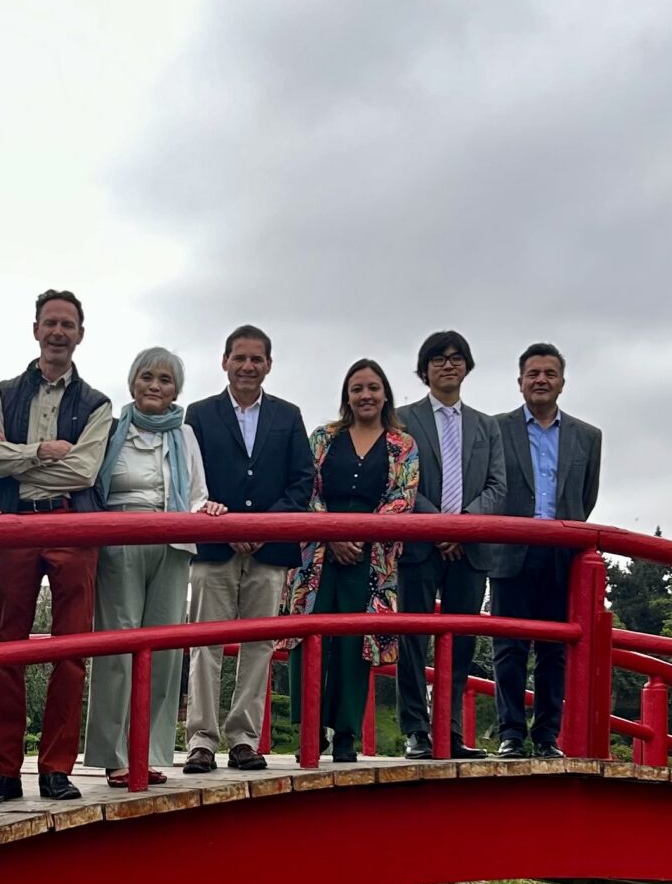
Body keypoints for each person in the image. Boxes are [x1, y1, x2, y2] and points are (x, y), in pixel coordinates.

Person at [0, 289, 115, 803]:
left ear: (79, 334)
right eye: (49, 323)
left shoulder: (97, 403)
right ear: (35, 329)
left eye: (67, 325)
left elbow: (85, 469)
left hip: (73, 527)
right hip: (14, 525)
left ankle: (56, 767)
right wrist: (41, 452)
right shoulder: (4, 391)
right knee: (7, 649)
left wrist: (14, 455)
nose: (57, 332)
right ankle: (4, 770)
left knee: (71, 652)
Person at [85, 348, 226, 781]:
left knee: (164, 649)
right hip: (121, 537)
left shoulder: (184, 435)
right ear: (132, 383)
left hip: (173, 538)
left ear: (175, 390)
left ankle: (148, 752)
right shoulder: (112, 431)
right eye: (147, 377)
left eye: (165, 380)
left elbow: (197, 490)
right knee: (118, 645)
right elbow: (92, 484)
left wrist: (209, 509)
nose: (155, 386)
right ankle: (115, 756)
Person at [180, 324, 314, 775]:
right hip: (214, 544)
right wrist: (225, 523)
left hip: (269, 548)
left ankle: (243, 738)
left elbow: (302, 481)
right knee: (204, 645)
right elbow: (191, 481)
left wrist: (265, 526)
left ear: (269, 365)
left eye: (257, 359)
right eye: (240, 358)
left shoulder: (288, 416)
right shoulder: (198, 415)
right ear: (224, 362)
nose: (248, 366)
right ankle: (200, 739)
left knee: (259, 646)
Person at [284, 361, 419, 763]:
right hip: (318, 554)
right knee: (308, 638)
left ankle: (345, 733)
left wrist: (361, 534)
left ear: (385, 394)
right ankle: (309, 728)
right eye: (357, 388)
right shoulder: (323, 438)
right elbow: (305, 488)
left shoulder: (402, 445)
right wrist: (333, 532)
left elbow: (403, 497)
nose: (365, 395)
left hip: (371, 558)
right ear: (347, 394)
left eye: (373, 388)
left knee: (355, 645)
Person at [483, 342, 604, 758]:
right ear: (519, 383)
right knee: (509, 647)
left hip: (561, 552)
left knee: (556, 650)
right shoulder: (495, 428)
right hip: (511, 549)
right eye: (533, 374)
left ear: (562, 383)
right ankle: (511, 734)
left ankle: (548, 736)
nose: (541, 380)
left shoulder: (587, 437)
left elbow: (586, 498)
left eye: (549, 374)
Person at [393, 330, 506, 759]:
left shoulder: (486, 426)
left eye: (456, 358)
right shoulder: (402, 420)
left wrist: (463, 526)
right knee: (413, 639)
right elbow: (401, 480)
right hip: (419, 544)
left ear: (467, 366)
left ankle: (450, 730)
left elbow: (498, 485)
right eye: (438, 359)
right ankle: (415, 731)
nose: (448, 365)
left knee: (461, 642)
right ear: (424, 370)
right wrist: (437, 524)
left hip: (471, 549)